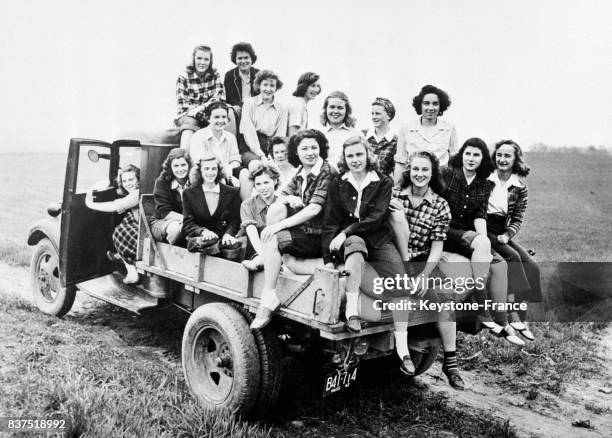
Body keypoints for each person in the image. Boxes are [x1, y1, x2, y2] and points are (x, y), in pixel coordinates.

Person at [388, 151, 466, 387]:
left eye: (425, 170)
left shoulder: (440, 205)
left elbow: (437, 246)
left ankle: (450, 362)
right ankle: (403, 352)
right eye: (415, 169)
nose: (419, 175)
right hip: (394, 257)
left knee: (446, 299)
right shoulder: (395, 196)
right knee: (398, 294)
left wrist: (424, 275)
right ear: (408, 171)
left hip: (423, 261)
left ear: (432, 174)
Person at [440, 138, 524, 346]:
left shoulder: (484, 184)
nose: (471, 158)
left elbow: (479, 215)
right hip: (444, 229)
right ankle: (483, 312)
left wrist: (484, 238)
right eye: (468, 153)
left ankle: (503, 321)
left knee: (500, 263)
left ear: (483, 159)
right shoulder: (447, 174)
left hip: (465, 233)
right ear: (462, 155)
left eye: (476, 155)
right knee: (483, 247)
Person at [250, 129, 336, 329]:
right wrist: (289, 198)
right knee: (277, 207)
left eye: (314, 147)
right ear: (296, 152)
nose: (310, 152)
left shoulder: (326, 171)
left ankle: (268, 295)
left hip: (322, 236)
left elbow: (314, 209)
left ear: (321, 149)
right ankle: (273, 260)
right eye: (304, 148)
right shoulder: (301, 172)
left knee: (273, 237)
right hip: (307, 231)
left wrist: (279, 226)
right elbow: (282, 194)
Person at [322, 136, 401, 335]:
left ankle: (375, 301)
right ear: (344, 158)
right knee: (356, 245)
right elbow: (330, 220)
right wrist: (328, 259)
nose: (355, 159)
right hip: (351, 241)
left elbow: (376, 217)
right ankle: (352, 312)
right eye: (350, 156)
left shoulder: (383, 181)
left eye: (359, 154)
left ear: (368, 155)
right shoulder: (338, 182)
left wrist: (345, 232)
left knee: (399, 281)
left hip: (376, 237)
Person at [487, 139, 541, 341]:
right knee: (512, 257)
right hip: (483, 226)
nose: (502, 159)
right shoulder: (486, 179)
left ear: (515, 159)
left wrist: (508, 234)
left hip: (501, 230)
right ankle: (512, 314)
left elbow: (517, 218)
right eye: (499, 155)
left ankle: (521, 317)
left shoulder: (519, 187)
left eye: (507, 156)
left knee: (531, 264)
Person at [85, 165, 141, 284]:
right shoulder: (135, 192)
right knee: (127, 219)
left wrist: (90, 204)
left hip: (145, 231)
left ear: (139, 180)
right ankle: (121, 255)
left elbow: (115, 206)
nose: (128, 183)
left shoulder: (137, 193)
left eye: (131, 180)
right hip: (142, 225)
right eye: (124, 181)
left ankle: (132, 272)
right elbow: (119, 194)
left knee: (120, 232)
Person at [238, 70, 288, 199]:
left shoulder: (281, 108)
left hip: (270, 145)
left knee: (277, 168)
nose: (268, 89)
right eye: (265, 85)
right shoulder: (249, 103)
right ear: (259, 86)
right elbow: (248, 133)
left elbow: (280, 136)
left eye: (272, 86)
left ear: (276, 88)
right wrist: (261, 155)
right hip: (249, 145)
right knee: (257, 166)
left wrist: (273, 155)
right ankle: (252, 207)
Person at [394, 85, 457, 183]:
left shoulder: (449, 129)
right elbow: (400, 162)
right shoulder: (406, 129)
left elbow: (453, 162)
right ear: (420, 105)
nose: (431, 108)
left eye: (435, 104)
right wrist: (397, 187)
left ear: (441, 106)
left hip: (441, 183)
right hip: (414, 181)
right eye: (426, 103)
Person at [182, 154, 241, 256]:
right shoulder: (189, 193)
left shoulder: (232, 193)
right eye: (206, 169)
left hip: (222, 238)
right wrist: (203, 232)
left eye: (214, 169)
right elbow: (188, 223)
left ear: (218, 171)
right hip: (201, 238)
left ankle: (217, 248)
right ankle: (211, 247)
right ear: (200, 171)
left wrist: (228, 234)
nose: (210, 172)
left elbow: (234, 220)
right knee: (208, 242)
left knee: (234, 246)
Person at [175, 45, 226, 150]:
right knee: (191, 123)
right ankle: (184, 157)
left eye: (206, 59)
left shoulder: (215, 76)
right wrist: (201, 112)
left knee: (224, 116)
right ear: (193, 59)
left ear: (210, 61)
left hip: (207, 115)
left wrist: (201, 108)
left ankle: (225, 156)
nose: (202, 62)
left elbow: (219, 98)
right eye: (199, 58)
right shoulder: (183, 78)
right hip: (188, 116)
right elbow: (183, 105)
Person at [189, 101, 242, 187]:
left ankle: (246, 200)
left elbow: (236, 159)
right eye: (216, 117)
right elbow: (200, 163)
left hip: (228, 171)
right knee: (221, 181)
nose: (221, 121)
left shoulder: (230, 137)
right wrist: (226, 175)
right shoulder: (199, 136)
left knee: (245, 175)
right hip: (207, 173)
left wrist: (229, 169)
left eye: (224, 117)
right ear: (208, 118)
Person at [240, 163, 280, 271]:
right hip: (256, 251)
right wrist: (267, 257)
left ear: (275, 181)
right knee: (257, 260)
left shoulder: (282, 203)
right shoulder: (248, 205)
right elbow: (252, 234)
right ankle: (257, 263)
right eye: (258, 184)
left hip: (280, 251)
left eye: (266, 182)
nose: (263, 188)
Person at [151, 149, 191, 245]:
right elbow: (165, 212)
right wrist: (188, 220)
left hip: (186, 221)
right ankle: (173, 256)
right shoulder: (162, 182)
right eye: (176, 166)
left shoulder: (194, 181)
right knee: (176, 229)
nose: (180, 169)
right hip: (162, 221)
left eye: (183, 165)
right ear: (170, 167)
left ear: (189, 165)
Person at [320, 91, 361, 168]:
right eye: (332, 107)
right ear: (326, 109)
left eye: (340, 108)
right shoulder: (318, 133)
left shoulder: (356, 134)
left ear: (346, 110)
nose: (335, 111)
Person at [362, 97, 398, 176]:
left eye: (377, 113)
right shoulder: (362, 136)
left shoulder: (396, 142)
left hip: (383, 186)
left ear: (389, 116)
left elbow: (396, 172)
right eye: (372, 113)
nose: (374, 117)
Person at [223, 42, 260, 111]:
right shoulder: (229, 75)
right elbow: (230, 99)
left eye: (246, 58)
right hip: (238, 109)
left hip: (255, 109)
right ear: (235, 60)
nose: (243, 61)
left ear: (251, 59)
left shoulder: (259, 74)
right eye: (240, 58)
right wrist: (245, 107)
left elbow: (261, 96)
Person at [288, 72, 321, 136]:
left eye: (318, 86)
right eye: (313, 86)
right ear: (304, 86)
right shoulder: (297, 105)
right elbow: (292, 135)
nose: (316, 90)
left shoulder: (301, 104)